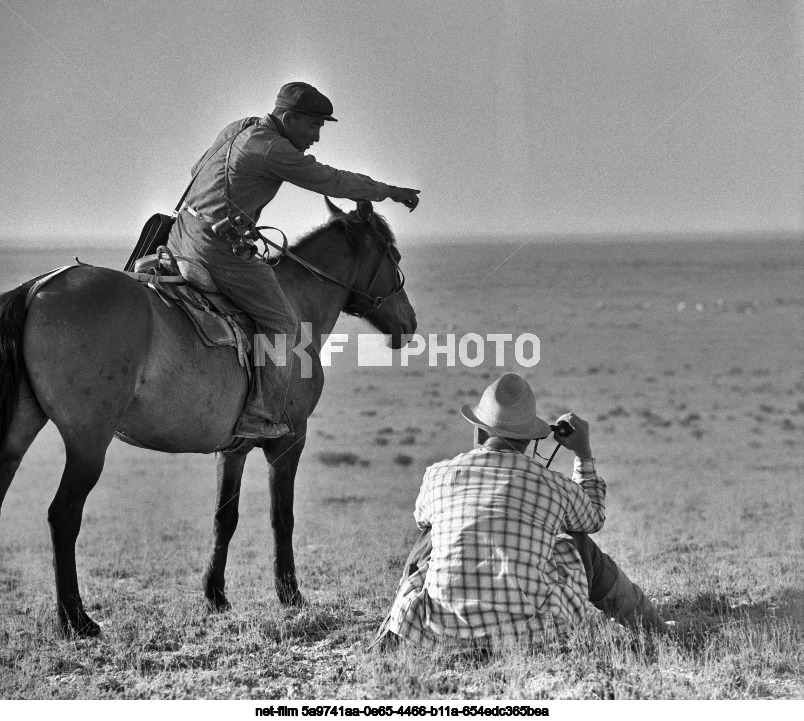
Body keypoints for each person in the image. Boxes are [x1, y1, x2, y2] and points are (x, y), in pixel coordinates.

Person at [167, 82, 420, 439]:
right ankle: (261, 414)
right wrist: (388, 191)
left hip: (179, 235)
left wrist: (234, 215)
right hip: (213, 250)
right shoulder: (272, 150)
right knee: (285, 325)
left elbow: (198, 169)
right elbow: (328, 179)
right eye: (313, 126)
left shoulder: (240, 127)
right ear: (288, 118)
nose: (316, 138)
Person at [376, 373, 665, 651]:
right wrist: (582, 453)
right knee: (579, 544)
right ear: (532, 440)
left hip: (437, 629)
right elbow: (593, 519)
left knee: (429, 536)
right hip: (533, 633)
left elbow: (422, 520)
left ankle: (389, 635)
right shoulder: (555, 485)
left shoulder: (437, 475)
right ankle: (653, 627)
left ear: (478, 430)